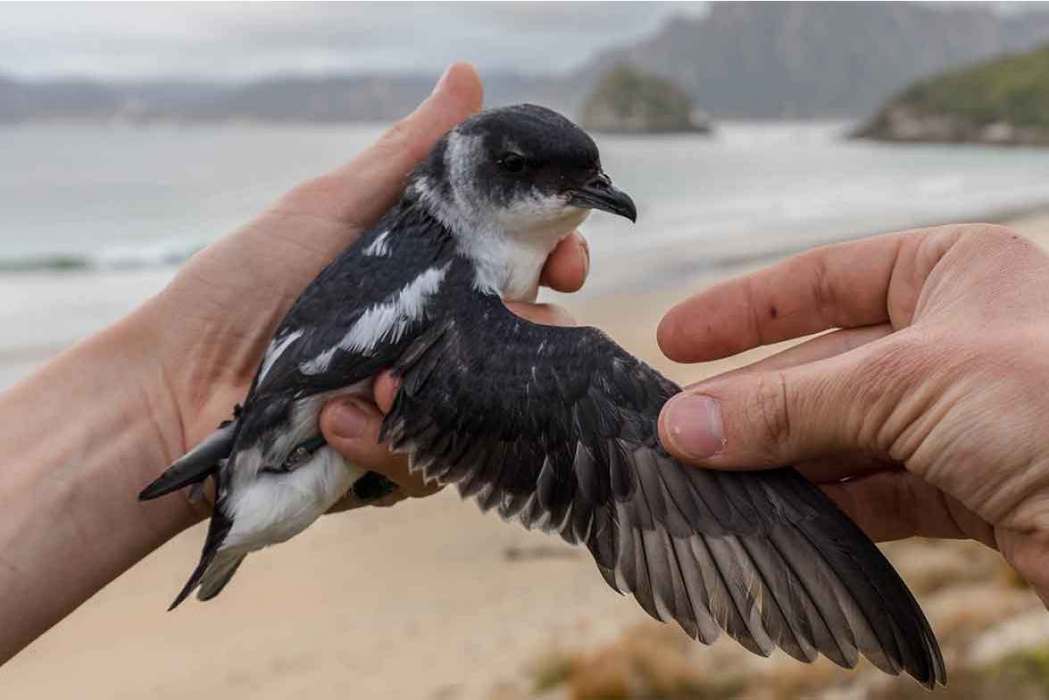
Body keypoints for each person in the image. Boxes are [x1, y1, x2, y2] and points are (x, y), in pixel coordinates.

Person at [2, 62, 1047, 664]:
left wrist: (183, 423)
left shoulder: (428, 249)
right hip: (267, 452)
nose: (585, 193)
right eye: (546, 178)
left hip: (256, 431)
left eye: (588, 180)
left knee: (563, 391)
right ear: (480, 179)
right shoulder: (453, 283)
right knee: (605, 394)